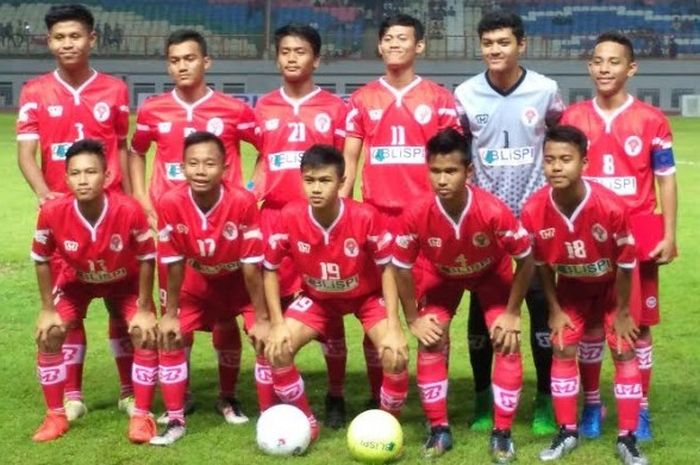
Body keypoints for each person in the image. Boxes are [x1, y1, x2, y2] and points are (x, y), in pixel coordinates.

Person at [129, 29, 260, 425]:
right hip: (173, 228)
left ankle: (227, 396)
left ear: (206, 62)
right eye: (174, 60)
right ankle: (179, 393)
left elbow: (267, 151)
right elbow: (135, 152)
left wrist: (254, 191)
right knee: (176, 312)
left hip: (222, 226)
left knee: (224, 315)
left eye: (189, 58)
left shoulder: (233, 109)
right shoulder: (153, 109)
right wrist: (142, 200)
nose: (182, 66)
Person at [17, 3, 134, 422]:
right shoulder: (34, 92)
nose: (68, 43)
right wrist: (46, 194)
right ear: (49, 42)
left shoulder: (115, 90)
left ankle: (128, 391)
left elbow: (121, 147)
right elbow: (27, 153)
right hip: (64, 217)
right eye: (60, 37)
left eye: (75, 36)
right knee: (70, 305)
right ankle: (72, 394)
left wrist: (134, 199)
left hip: (113, 214)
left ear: (92, 39)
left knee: (122, 305)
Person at [561, 31, 677, 441]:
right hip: (586, 235)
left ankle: (640, 409)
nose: (604, 68)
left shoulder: (651, 119)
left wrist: (669, 233)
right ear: (590, 66)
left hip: (638, 231)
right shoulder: (572, 118)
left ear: (631, 68)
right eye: (597, 61)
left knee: (637, 327)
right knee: (590, 325)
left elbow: (665, 178)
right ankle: (592, 404)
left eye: (613, 62)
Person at [453, 10, 565, 435]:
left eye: (503, 42)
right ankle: (483, 398)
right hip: (486, 224)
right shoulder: (465, 95)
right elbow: (459, 152)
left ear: (521, 45)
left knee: (538, 309)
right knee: (483, 312)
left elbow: (560, 139)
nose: (495, 50)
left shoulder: (545, 91)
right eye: (487, 43)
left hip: (535, 220)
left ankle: (545, 401)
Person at [393, 128, 533, 462]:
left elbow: (527, 259)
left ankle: (502, 433)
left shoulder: (492, 210)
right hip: (442, 277)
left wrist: (512, 313)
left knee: (506, 340)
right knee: (431, 340)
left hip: (490, 274)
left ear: (468, 172)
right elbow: (400, 267)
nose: (442, 179)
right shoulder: (415, 213)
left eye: (451, 171)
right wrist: (412, 318)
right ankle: (439, 429)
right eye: (435, 171)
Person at [341, 13, 460, 405]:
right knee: (377, 312)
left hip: (425, 219)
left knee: (434, 313)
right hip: (377, 217)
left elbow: (452, 162)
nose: (394, 44)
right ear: (379, 46)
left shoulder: (439, 99)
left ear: (419, 46)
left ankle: (434, 400)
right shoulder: (361, 100)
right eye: (388, 38)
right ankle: (382, 398)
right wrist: (345, 202)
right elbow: (350, 161)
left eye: (403, 38)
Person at [263, 144, 409, 444]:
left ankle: (384, 426)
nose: (316, 188)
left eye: (325, 180)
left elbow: (388, 270)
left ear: (342, 182)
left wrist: (395, 327)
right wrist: (276, 323)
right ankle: (307, 422)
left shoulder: (365, 216)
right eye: (309, 180)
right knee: (276, 350)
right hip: (317, 299)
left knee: (394, 356)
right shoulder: (290, 215)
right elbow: (269, 269)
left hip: (366, 298)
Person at [522, 125, 648, 465]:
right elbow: (542, 264)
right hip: (572, 289)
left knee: (623, 350)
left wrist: (623, 311)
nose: (557, 167)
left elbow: (625, 266)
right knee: (563, 344)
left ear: (585, 163)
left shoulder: (610, 208)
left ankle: (628, 437)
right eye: (549, 160)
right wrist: (553, 307)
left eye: (566, 159)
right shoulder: (533, 209)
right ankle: (567, 430)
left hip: (614, 289)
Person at [254, 23, 354, 427]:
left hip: (319, 223)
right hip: (274, 218)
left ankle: (335, 394)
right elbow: (259, 159)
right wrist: (250, 192)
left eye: (300, 51)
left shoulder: (335, 108)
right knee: (270, 309)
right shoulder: (261, 107)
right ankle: (278, 396)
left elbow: (345, 167)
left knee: (327, 310)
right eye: (285, 51)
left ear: (316, 58)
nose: (292, 57)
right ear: (277, 57)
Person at [31, 139, 158, 443]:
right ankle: (55, 416)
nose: (83, 180)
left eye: (91, 172)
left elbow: (146, 259)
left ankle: (141, 415)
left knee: (144, 331)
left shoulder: (128, 210)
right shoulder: (52, 211)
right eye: (76, 173)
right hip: (77, 283)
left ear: (107, 175)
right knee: (49, 333)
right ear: (66, 178)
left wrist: (143, 307)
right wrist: (48, 310)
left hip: (125, 283)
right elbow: (41, 258)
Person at [152, 131, 270, 446]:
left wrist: (260, 316)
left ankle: (247, 405)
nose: (201, 171)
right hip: (196, 281)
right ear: (182, 166)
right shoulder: (170, 201)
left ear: (225, 167)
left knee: (265, 338)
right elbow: (173, 263)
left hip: (237, 283)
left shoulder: (243, 201)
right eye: (193, 163)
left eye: (209, 163)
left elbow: (250, 266)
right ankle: (176, 418)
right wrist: (170, 313)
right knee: (170, 336)